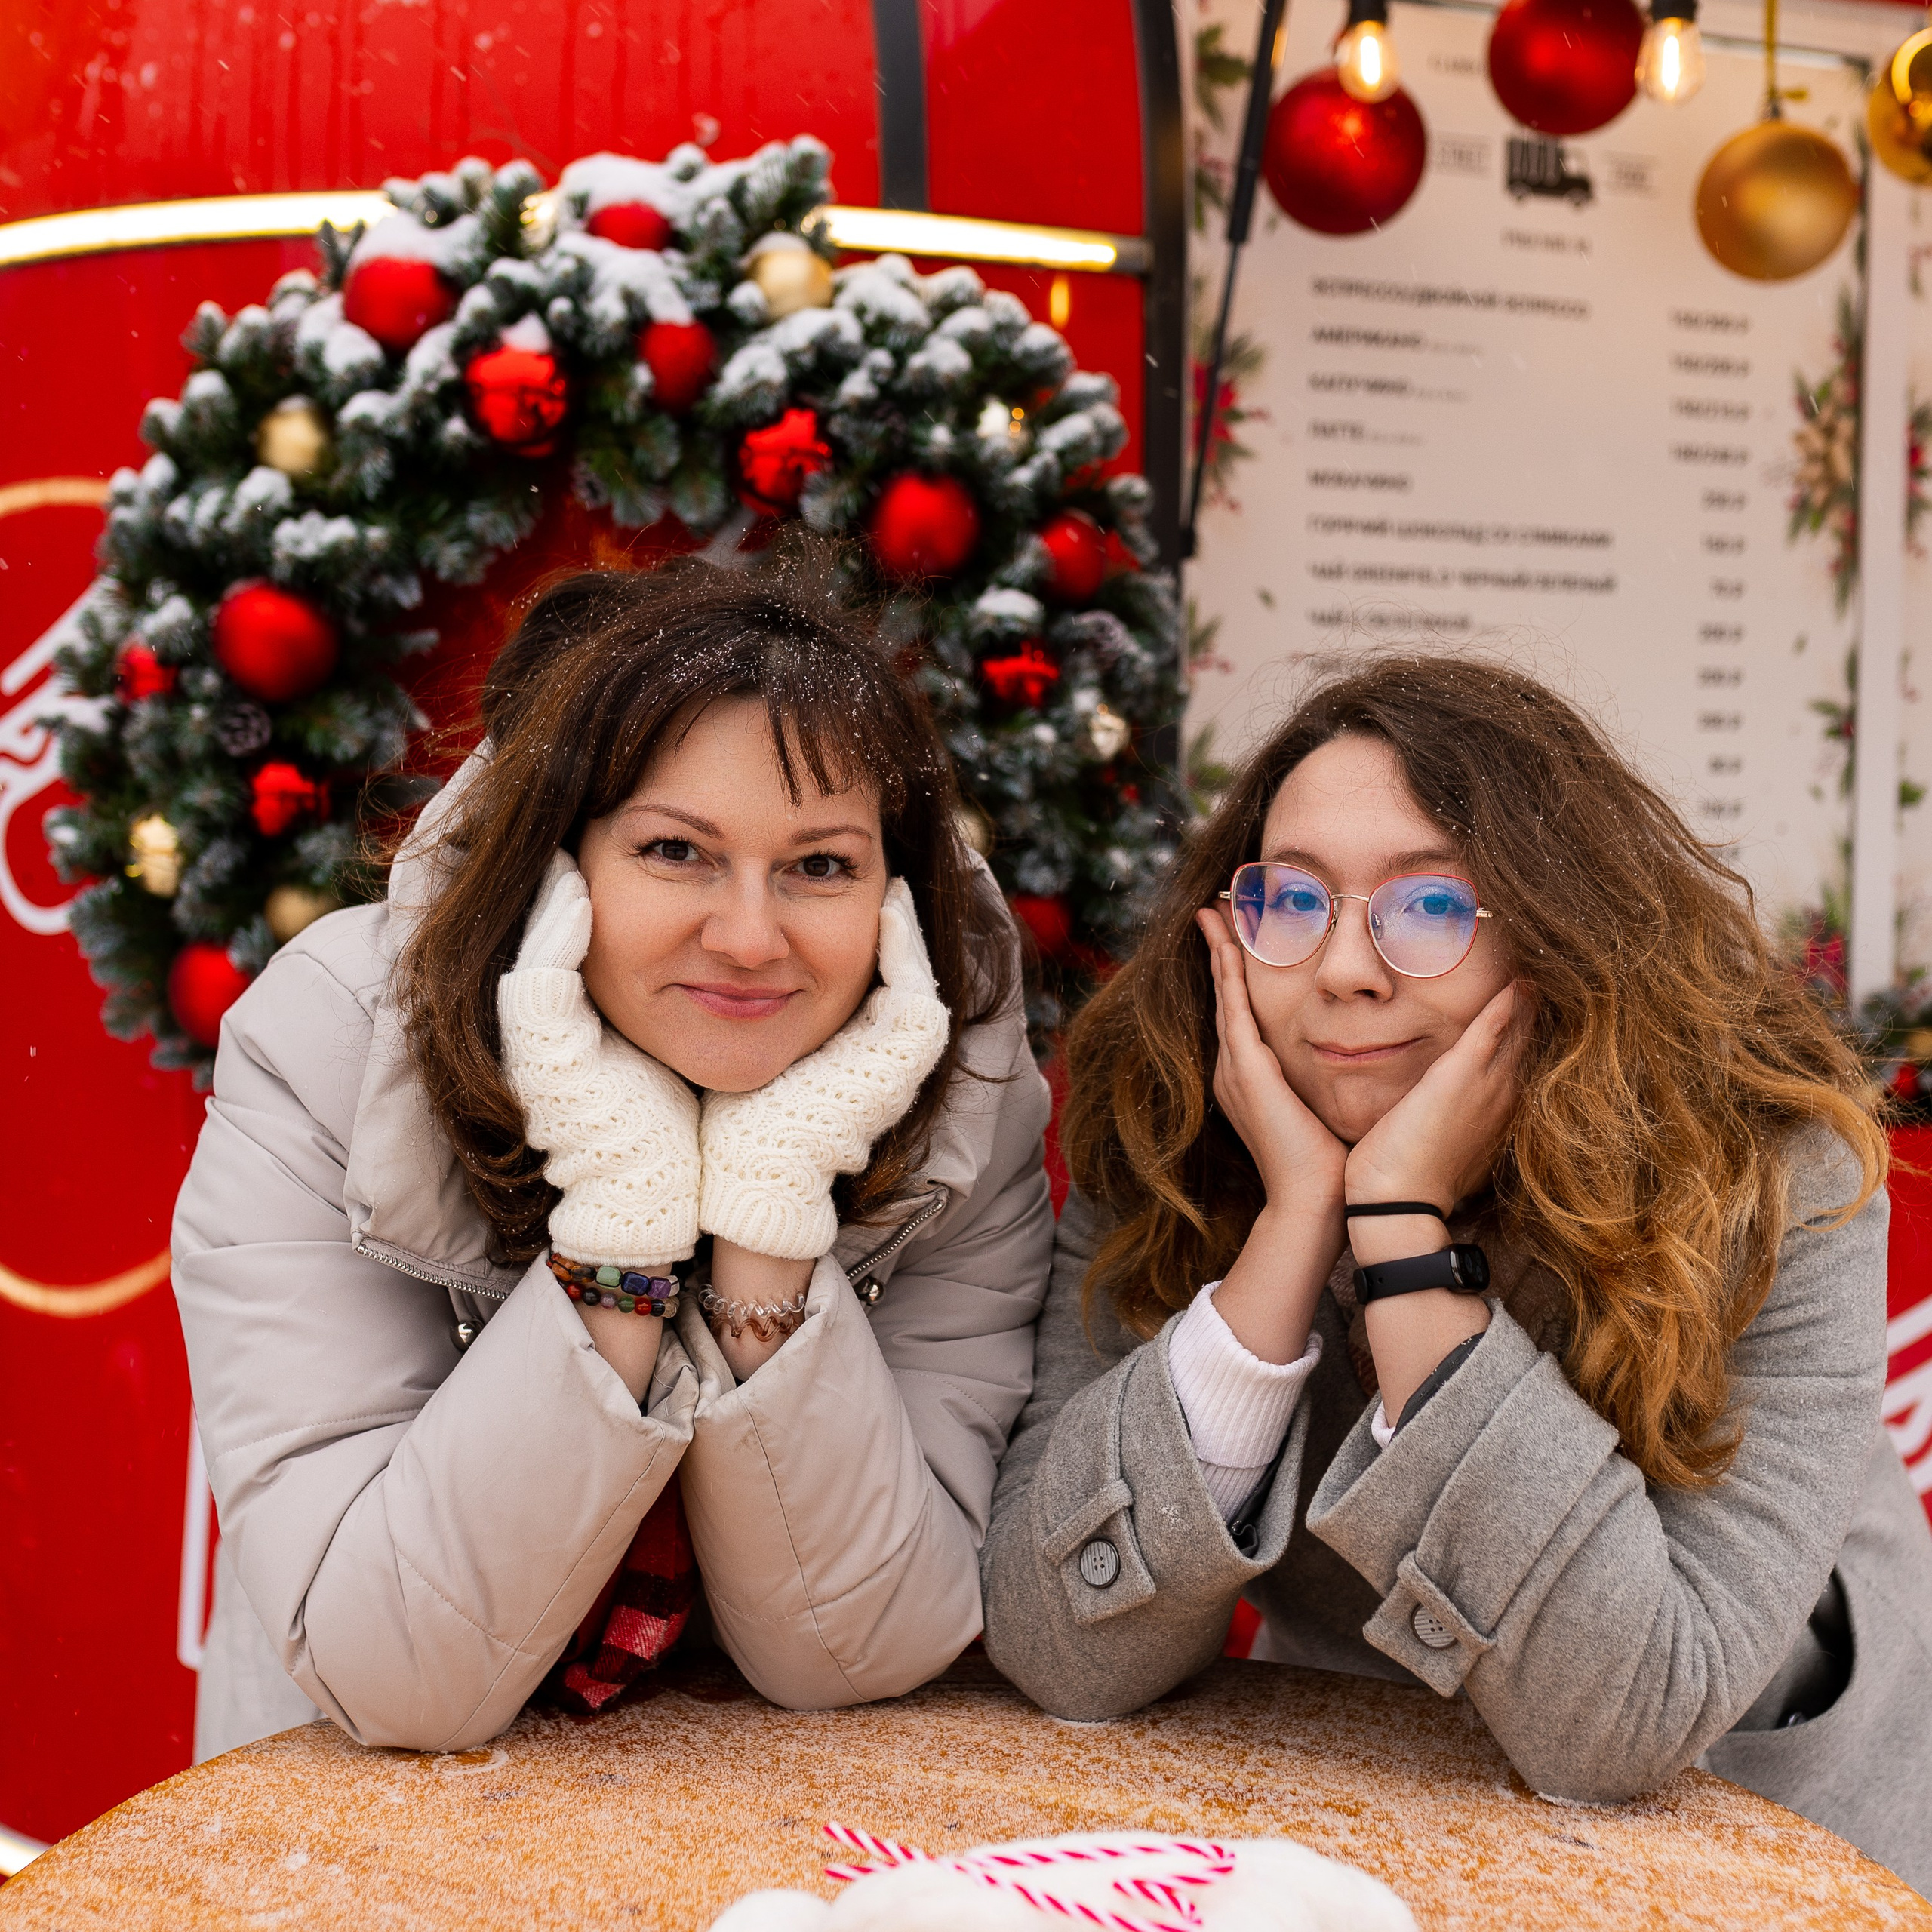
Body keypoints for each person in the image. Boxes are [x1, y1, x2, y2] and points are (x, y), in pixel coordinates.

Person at [980, 656, 1932, 1896]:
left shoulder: (1770, 1175)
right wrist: (1293, 1230)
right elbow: (1064, 1654)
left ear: (1557, 931)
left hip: (1770, 1824)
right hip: (1377, 1807)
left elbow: (1626, 1725)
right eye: (1294, 900)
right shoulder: (1175, 1136)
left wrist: (1404, 1236)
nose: (1345, 970)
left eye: (1428, 908)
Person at [174, 555, 1054, 1758]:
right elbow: (402, 1680)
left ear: (893, 899)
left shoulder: (959, 1092)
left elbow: (861, 1649)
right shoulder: (330, 1046)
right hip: (356, 1836)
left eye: (821, 865)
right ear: (553, 862)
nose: (750, 937)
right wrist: (622, 1229)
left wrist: (768, 1223)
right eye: (676, 851)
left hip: (754, 1824)